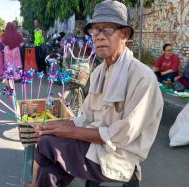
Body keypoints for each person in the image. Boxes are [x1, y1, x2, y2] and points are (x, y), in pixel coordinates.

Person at [29, 1, 164, 187]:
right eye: (94, 31)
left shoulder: (142, 77)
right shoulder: (99, 71)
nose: (98, 37)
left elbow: (123, 135)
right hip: (93, 142)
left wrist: (72, 131)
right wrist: (57, 125)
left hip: (118, 153)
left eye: (107, 29)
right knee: (48, 149)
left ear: (124, 35)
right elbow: (87, 116)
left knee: (47, 146)